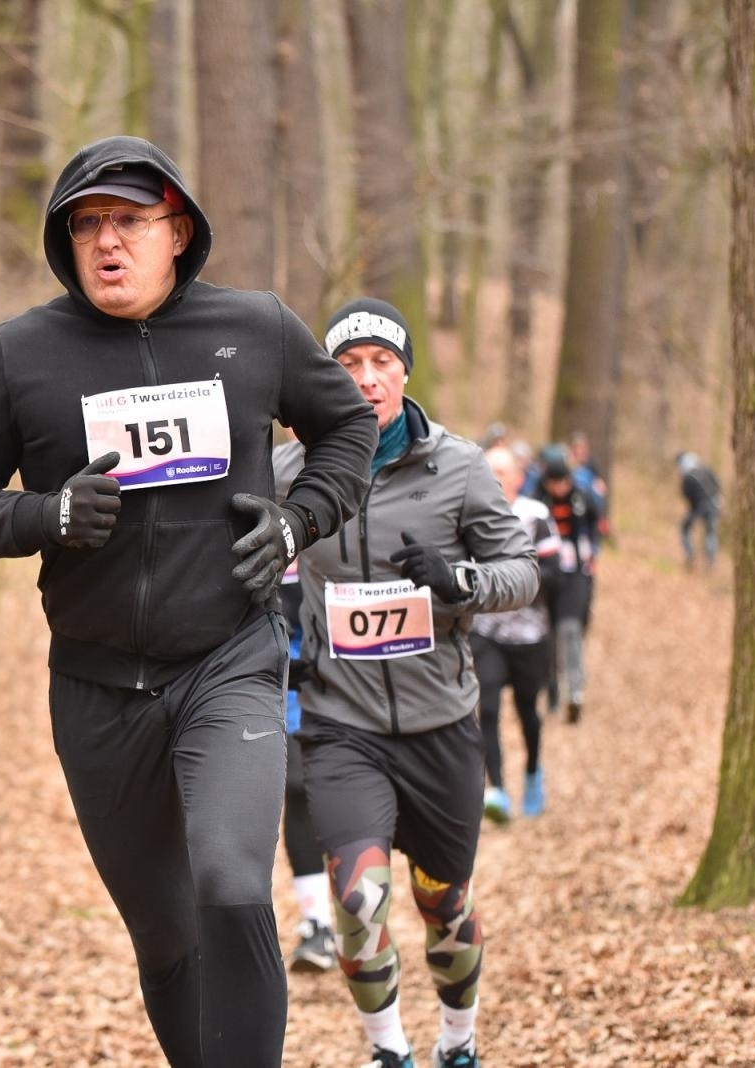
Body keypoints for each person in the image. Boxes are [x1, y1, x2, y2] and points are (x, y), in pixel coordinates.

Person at [0, 135, 378, 1067]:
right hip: (94, 692)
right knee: (167, 937)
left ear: (178, 232)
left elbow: (348, 426)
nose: (107, 242)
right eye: (87, 224)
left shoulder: (256, 329)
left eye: (129, 220)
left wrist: (297, 524)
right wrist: (45, 515)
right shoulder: (20, 354)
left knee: (233, 880)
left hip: (229, 661)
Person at [275, 298, 538, 1068]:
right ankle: (389, 1053)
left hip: (442, 726)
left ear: (403, 374)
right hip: (341, 725)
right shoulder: (296, 469)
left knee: (443, 904)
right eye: (348, 366)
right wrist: (277, 648)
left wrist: (460, 580)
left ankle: (459, 1044)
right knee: (358, 902)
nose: (366, 380)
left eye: (381, 364)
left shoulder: (457, 467)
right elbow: (251, 567)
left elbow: (520, 573)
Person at [470, 446, 561, 823]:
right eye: (489, 469)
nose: (496, 477)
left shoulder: (536, 516)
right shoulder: (470, 513)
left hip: (529, 635)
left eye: (503, 471)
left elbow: (556, 574)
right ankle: (498, 792)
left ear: (519, 478)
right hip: (486, 630)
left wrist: (518, 583)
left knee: (528, 712)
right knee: (487, 709)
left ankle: (533, 773)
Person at [279, 563, 337, 972]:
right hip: (285, 679)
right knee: (298, 790)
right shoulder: (244, 507)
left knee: (348, 797)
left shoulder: (343, 508)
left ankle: (361, 912)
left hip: (352, 679)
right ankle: (317, 922)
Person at [535, 446, 601, 724]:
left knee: (571, 630)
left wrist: (591, 552)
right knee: (548, 634)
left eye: (564, 482)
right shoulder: (538, 501)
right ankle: (551, 688)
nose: (560, 488)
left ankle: (575, 691)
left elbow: (596, 522)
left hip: (577, 573)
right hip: (547, 573)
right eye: (555, 483)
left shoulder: (582, 497)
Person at [677, 451, 722, 572]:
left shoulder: (687, 479)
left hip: (700, 507)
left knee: (686, 528)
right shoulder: (707, 470)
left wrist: (694, 512)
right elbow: (718, 485)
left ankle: (691, 554)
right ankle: (710, 561)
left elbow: (688, 498)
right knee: (710, 532)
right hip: (713, 505)